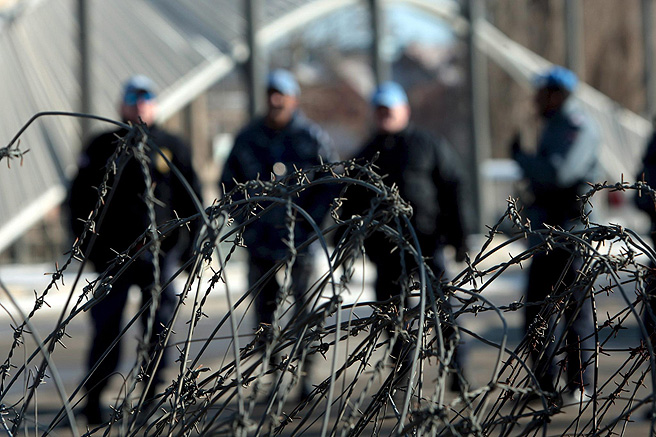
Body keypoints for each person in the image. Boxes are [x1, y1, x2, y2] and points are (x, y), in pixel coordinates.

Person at [67, 75, 201, 424]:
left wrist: (189, 249)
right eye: (132, 96)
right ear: (121, 104)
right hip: (113, 255)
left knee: (158, 327)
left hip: (161, 254)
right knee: (107, 327)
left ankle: (150, 398)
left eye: (146, 97)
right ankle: (94, 398)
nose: (139, 103)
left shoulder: (172, 146)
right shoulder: (101, 145)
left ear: (155, 103)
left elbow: (193, 201)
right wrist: (86, 247)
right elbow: (78, 199)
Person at [339, 81, 471, 388]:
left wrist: (459, 235)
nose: (385, 115)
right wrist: (348, 242)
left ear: (404, 111)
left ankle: (457, 370)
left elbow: (453, 187)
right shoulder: (365, 155)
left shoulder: (427, 145)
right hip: (385, 249)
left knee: (442, 307)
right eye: (380, 110)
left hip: (427, 242)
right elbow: (351, 203)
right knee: (392, 312)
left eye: (390, 109)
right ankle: (403, 377)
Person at [219, 69, 336, 399]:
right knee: (264, 313)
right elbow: (230, 185)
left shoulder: (312, 138)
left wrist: (308, 224)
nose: (274, 100)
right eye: (270, 93)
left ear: (293, 98)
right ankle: (271, 373)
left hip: (301, 241)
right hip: (260, 242)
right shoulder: (248, 138)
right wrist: (248, 222)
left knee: (306, 308)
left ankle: (306, 376)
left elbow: (330, 185)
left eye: (281, 94)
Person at [511, 66, 601, 403]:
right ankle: (544, 385)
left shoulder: (577, 126)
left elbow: (560, 173)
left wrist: (524, 160)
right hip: (547, 236)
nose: (535, 99)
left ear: (557, 94)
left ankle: (580, 385)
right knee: (537, 313)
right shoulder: (553, 126)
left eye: (541, 92)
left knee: (576, 313)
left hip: (572, 237)